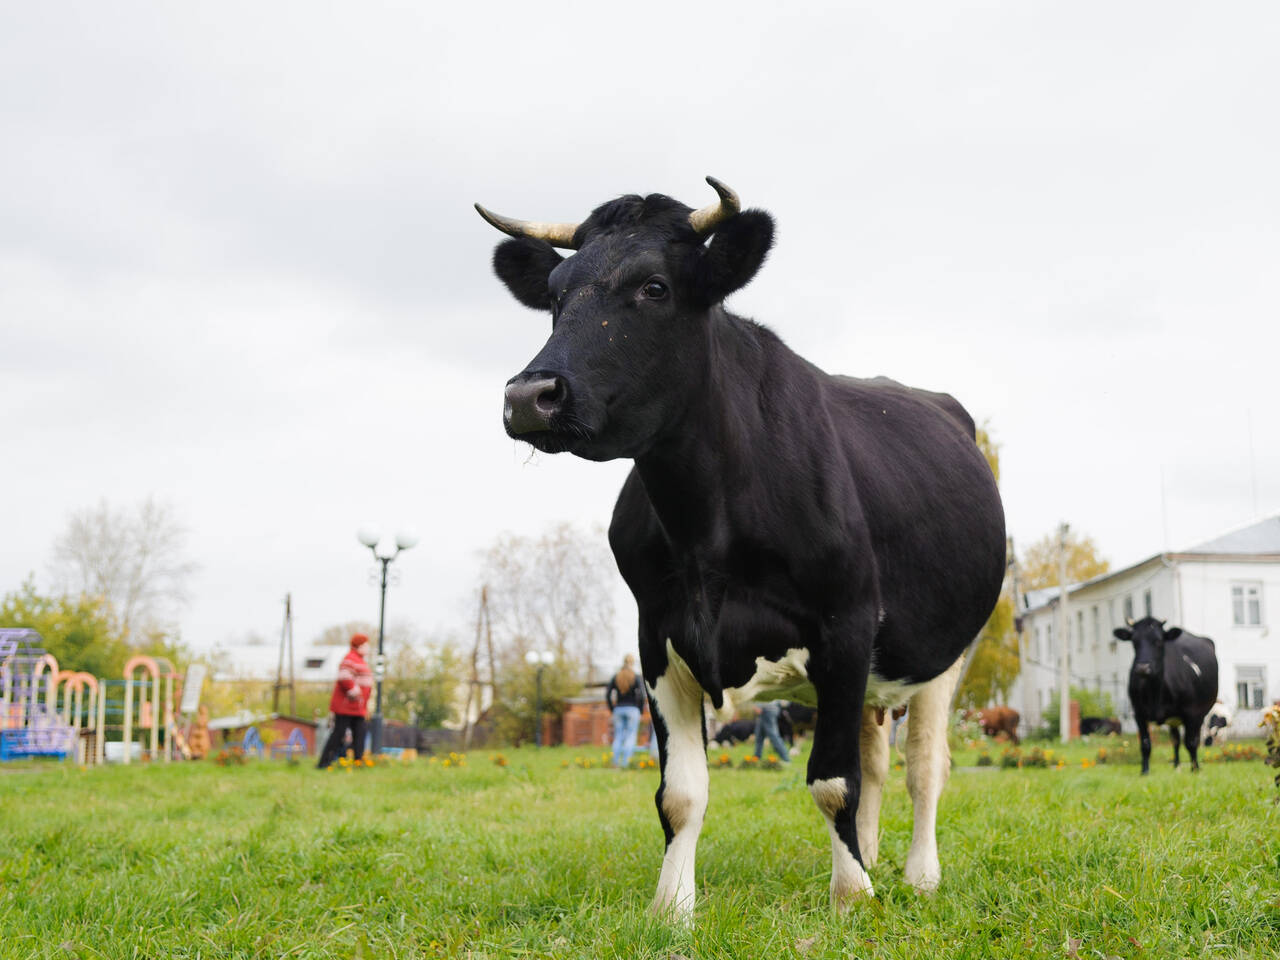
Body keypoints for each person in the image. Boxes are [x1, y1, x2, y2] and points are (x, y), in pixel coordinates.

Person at [317, 633, 374, 769]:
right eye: (365, 645)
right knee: (338, 734)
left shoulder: (360, 660)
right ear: (358, 646)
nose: (368, 648)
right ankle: (324, 763)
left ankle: (358, 762)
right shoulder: (350, 659)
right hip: (346, 706)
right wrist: (355, 692)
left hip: (358, 708)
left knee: (361, 733)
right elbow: (344, 677)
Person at [606, 654, 645, 768]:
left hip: (618, 709)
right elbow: (642, 695)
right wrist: (640, 709)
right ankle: (625, 763)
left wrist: (612, 708)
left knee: (618, 736)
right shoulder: (636, 677)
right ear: (632, 663)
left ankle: (615, 762)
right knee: (630, 735)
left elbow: (608, 694)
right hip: (633, 710)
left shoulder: (616, 677)